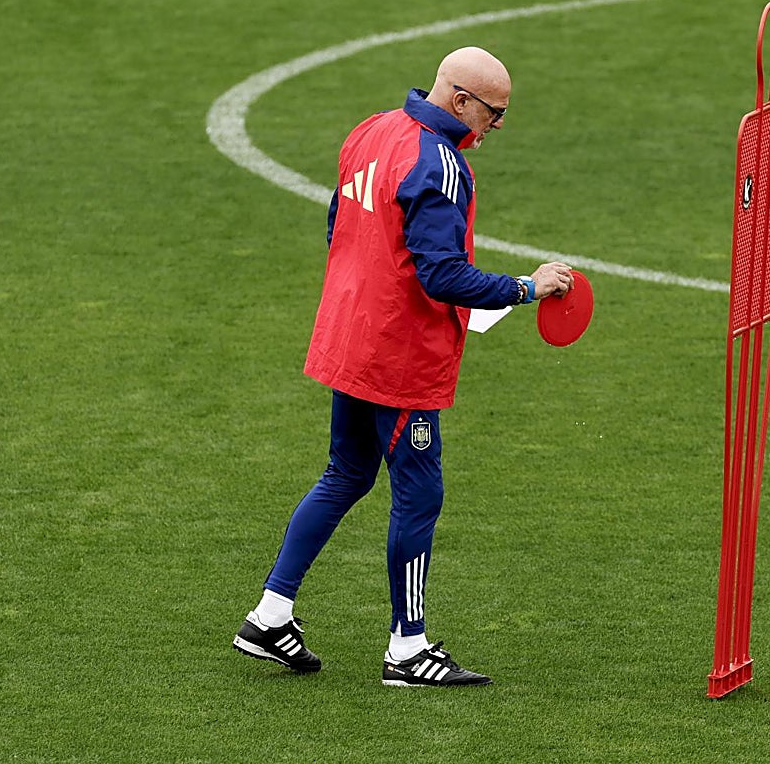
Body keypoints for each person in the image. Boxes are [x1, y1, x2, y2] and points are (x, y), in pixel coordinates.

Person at [233, 46, 573, 687]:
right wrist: (526, 288)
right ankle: (408, 649)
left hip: (350, 338)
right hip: (398, 358)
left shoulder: (372, 129)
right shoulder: (439, 163)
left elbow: (338, 225)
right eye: (494, 112)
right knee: (419, 494)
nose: (499, 125)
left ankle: (269, 616)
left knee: (346, 474)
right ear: (461, 101)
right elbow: (442, 275)